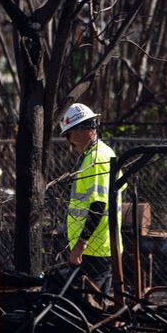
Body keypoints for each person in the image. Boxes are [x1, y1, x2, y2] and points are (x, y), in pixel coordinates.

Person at [59, 103, 120, 295]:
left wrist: (81, 244)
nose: (69, 141)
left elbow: (99, 204)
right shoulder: (99, 154)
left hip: (94, 248)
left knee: (83, 305)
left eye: (68, 134)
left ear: (81, 130)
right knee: (97, 304)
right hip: (98, 246)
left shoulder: (97, 158)